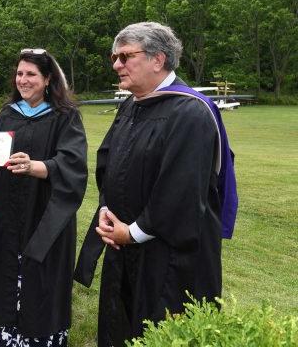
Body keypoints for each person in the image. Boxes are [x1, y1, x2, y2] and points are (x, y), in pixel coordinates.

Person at [74, 22, 238, 346]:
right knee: (121, 327)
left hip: (170, 257)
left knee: (158, 329)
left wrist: (132, 232)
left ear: (158, 60)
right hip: (124, 247)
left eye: (125, 56)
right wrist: (107, 210)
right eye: (114, 57)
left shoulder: (190, 112)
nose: (116, 65)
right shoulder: (131, 105)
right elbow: (110, 163)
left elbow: (181, 191)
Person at [0, 48, 88, 346]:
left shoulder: (65, 117)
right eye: (20, 73)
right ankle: (8, 338)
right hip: (8, 211)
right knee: (7, 272)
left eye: (31, 74)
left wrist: (38, 166)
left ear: (48, 79)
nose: (23, 79)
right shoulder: (8, 114)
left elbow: (73, 164)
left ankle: (43, 339)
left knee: (40, 276)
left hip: (44, 212)